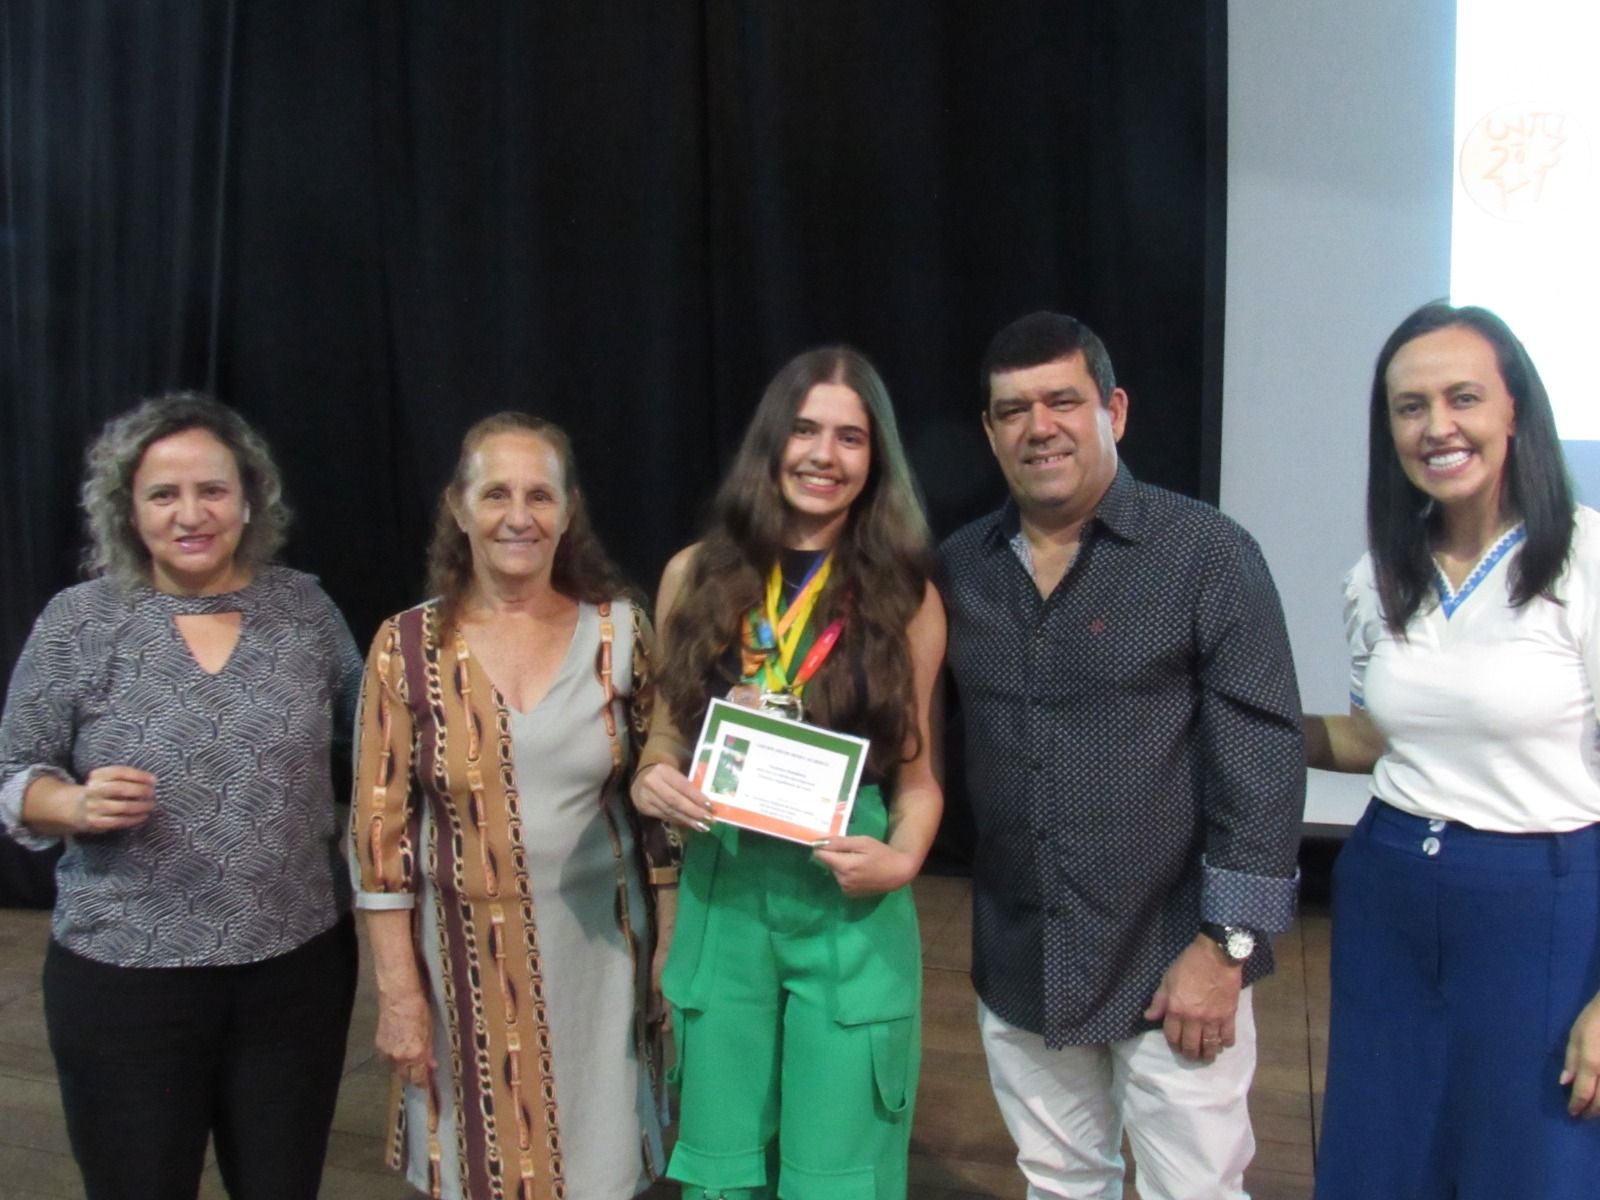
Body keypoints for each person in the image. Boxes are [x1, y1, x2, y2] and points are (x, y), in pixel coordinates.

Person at [938, 312, 1304, 1200]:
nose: (1039, 427)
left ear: (1116, 411)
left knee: (1196, 1191)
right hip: (1023, 959)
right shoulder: (959, 569)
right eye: (1013, 410)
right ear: (990, 431)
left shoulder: (1207, 554)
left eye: (1062, 401)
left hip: (1175, 960)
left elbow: (1261, 767)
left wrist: (1225, 949)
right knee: (1059, 1182)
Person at [0, 393, 362, 1200]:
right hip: (126, 979)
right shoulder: (79, 622)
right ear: (128, 510)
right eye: (163, 494)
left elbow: (387, 734)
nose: (190, 514)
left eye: (212, 490)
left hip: (294, 973)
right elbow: (14, 773)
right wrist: (70, 805)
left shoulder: (303, 610)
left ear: (250, 501)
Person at [630, 346, 945, 1200]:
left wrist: (903, 860)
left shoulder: (907, 594)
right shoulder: (694, 574)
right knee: (720, 1169)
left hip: (847, 895)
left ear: (875, 458)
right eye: (805, 430)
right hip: (724, 889)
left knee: (836, 1176)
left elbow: (920, 780)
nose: (823, 455)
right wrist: (652, 781)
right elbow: (664, 740)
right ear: (772, 441)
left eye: (850, 437)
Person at [1305, 302, 1600, 1198]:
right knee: (1381, 1163)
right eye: (1410, 406)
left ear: (1515, 410)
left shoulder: (1586, 561)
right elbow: (1374, 739)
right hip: (1389, 892)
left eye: (1462, 398)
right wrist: (1238, 719)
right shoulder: (1378, 577)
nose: (1437, 426)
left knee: (1531, 1166)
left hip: (1541, 911)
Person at [351, 412, 675, 1200]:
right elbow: (379, 841)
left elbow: (660, 815)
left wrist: (670, 948)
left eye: (540, 495)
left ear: (569, 513)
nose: (518, 516)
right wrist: (398, 995)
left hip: (604, 965)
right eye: (495, 494)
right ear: (459, 509)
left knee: (601, 1169)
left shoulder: (621, 634)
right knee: (481, 1171)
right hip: (460, 974)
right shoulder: (406, 647)